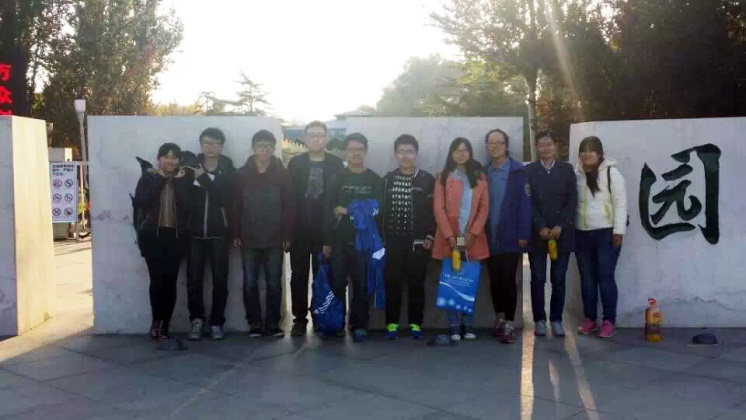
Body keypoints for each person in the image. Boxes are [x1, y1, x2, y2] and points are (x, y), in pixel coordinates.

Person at [323, 133, 384, 343]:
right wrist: (327, 242)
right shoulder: (337, 178)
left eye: (359, 149)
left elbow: (376, 209)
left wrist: (348, 210)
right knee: (337, 284)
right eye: (351, 150)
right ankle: (337, 324)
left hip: (365, 242)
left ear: (365, 151)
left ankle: (359, 325)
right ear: (345, 152)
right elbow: (328, 210)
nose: (355, 153)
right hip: (339, 241)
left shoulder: (374, 179)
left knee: (362, 285)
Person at [233, 130, 294, 338]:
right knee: (250, 283)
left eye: (268, 146)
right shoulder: (242, 174)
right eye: (260, 146)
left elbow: (289, 205)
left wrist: (287, 235)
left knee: (274, 283)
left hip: (275, 238)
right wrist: (235, 233)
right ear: (253, 148)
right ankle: (254, 323)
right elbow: (235, 205)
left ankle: (273, 324)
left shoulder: (282, 174)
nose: (264, 150)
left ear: (274, 149)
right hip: (248, 237)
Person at [287, 121, 344, 336]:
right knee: (298, 277)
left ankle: (323, 317)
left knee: (325, 277)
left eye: (320, 135)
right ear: (305, 138)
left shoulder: (336, 164)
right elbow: (288, 198)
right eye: (311, 135)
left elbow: (339, 198)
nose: (316, 138)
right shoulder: (296, 163)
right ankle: (299, 319)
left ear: (327, 138)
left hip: (326, 231)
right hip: (300, 231)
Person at [432, 137, 490, 341]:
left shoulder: (479, 177)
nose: (461, 154)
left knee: (469, 282)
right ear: (451, 153)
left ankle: (469, 325)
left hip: (473, 239)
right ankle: (454, 326)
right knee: (452, 282)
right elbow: (438, 209)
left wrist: (473, 233)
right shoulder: (442, 177)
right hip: (449, 238)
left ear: (470, 153)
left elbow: (484, 208)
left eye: (465, 150)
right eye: (457, 150)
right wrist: (449, 236)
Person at [133, 143, 192, 340]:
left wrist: (180, 182)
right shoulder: (149, 177)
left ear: (179, 160)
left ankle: (165, 324)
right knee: (156, 281)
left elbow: (188, 205)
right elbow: (142, 201)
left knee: (170, 282)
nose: (170, 161)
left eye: (174, 157)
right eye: (166, 156)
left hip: (175, 237)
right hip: (153, 236)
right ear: (159, 158)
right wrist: (160, 179)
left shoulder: (184, 178)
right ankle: (156, 322)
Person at [382, 134, 436, 341]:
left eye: (410, 152)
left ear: (416, 154)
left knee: (416, 284)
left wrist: (430, 235)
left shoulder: (427, 179)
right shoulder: (387, 180)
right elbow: (381, 213)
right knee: (392, 283)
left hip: (418, 243)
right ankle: (392, 323)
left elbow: (433, 211)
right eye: (401, 152)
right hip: (392, 242)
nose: (406, 156)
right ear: (395, 155)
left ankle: (415, 324)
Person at [185, 128, 236, 341]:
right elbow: (184, 196)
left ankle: (216, 322)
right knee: (193, 281)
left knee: (220, 281)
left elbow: (225, 198)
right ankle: (197, 320)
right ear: (201, 145)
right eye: (206, 142)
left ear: (221, 146)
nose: (210, 147)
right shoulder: (190, 165)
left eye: (214, 143)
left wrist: (204, 179)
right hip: (194, 234)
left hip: (219, 233)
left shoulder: (228, 168)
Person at [526, 131, 577, 337]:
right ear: (537, 147)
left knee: (559, 278)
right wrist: (540, 226)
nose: (545, 148)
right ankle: (539, 320)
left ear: (555, 145)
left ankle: (556, 319)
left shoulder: (567, 169)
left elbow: (572, 200)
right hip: (537, 234)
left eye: (549, 144)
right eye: (541, 145)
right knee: (538, 278)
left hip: (561, 233)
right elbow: (527, 202)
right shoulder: (529, 171)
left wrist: (560, 225)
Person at [574, 136, 626, 338]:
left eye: (591, 150)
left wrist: (618, 231)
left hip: (606, 234)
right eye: (583, 150)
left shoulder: (612, 174)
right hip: (581, 233)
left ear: (600, 153)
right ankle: (590, 319)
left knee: (605, 278)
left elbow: (620, 203)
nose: (587, 154)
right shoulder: (576, 174)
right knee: (587, 280)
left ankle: (609, 320)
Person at [483, 129, 531, 344]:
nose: (494, 146)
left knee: (508, 279)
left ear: (507, 146)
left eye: (499, 142)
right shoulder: (483, 172)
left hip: (511, 235)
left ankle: (510, 323)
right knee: (494, 280)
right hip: (489, 235)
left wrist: (523, 233)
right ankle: (500, 319)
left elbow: (525, 204)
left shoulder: (518, 171)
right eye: (490, 143)